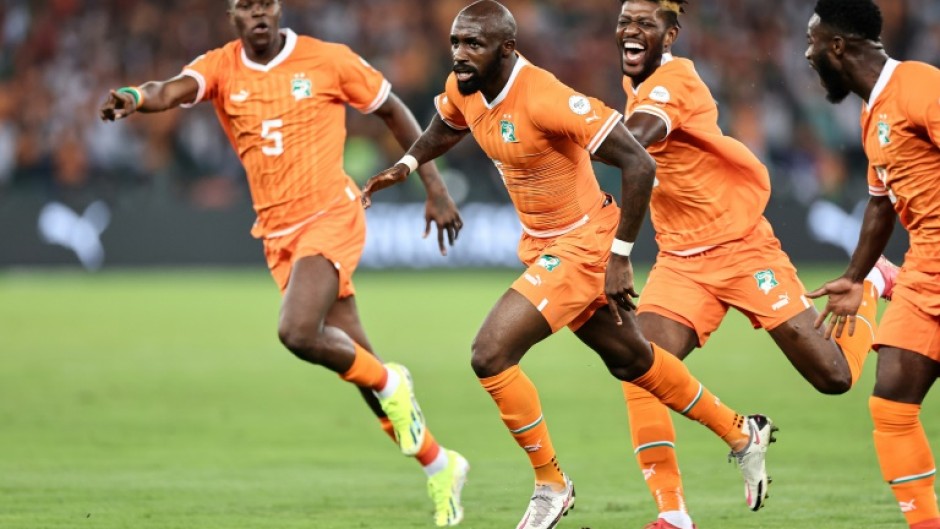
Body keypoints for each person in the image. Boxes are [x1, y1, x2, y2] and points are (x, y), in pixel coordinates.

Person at [362, 2, 776, 528]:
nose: (461, 54)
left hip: (583, 245)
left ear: (506, 49)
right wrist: (408, 163)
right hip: (542, 244)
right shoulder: (464, 84)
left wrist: (621, 255)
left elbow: (639, 160)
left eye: (473, 45)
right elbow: (450, 123)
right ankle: (743, 432)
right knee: (634, 361)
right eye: (456, 42)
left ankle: (551, 484)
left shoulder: (546, 97)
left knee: (490, 353)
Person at [98, 1, 470, 526]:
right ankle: (440, 465)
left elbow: (392, 109)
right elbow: (169, 90)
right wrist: (135, 97)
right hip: (277, 235)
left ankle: (394, 382)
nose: (257, 15)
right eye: (245, 7)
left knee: (298, 331)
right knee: (353, 361)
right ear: (232, 16)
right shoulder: (221, 67)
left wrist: (433, 184)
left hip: (331, 214)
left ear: (277, 10)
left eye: (265, 4)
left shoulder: (327, 60)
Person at [614, 1, 899, 527]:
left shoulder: (674, 81)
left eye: (645, 23)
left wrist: (567, 128)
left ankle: (877, 278)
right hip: (681, 257)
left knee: (834, 377)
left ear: (670, 34)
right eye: (625, 21)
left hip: (741, 248)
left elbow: (634, 139)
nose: (631, 31)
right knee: (641, 366)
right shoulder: (640, 80)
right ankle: (674, 513)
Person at [806, 1, 940, 528]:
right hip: (926, 267)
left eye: (812, 43)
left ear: (837, 46)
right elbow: (881, 204)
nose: (807, 54)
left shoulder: (919, 85)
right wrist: (855, 276)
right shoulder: (871, 113)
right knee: (891, 406)